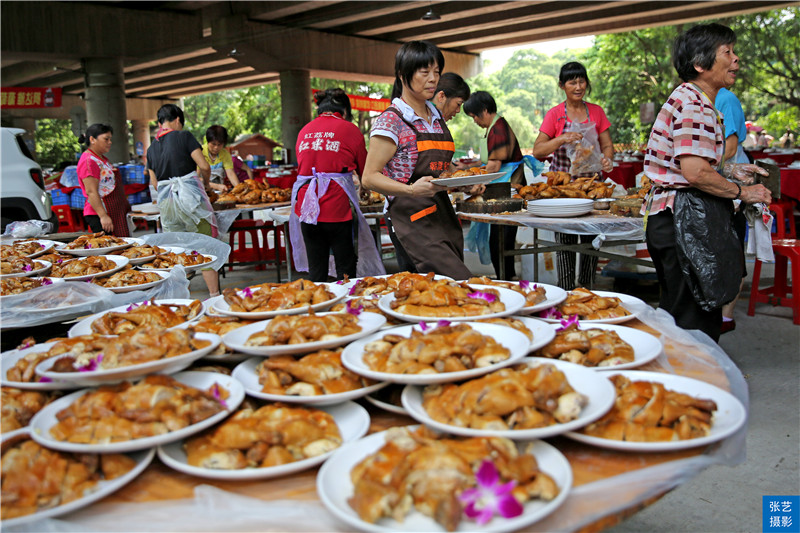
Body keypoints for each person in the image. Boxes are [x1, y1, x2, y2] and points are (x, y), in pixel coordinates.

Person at [643, 23, 771, 341]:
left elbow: (690, 164)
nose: (736, 59)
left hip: (675, 220)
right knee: (694, 324)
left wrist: (729, 172)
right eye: (727, 52)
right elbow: (695, 173)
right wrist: (745, 192)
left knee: (682, 317)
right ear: (701, 64)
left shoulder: (694, 99)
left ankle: (683, 383)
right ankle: (693, 386)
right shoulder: (695, 105)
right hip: (683, 222)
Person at [362, 41, 476, 279]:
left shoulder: (435, 116)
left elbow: (444, 166)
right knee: (458, 283)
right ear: (404, 75)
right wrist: (412, 190)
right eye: (425, 72)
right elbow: (369, 178)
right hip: (410, 218)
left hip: (442, 214)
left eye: (436, 72)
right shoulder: (391, 121)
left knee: (447, 292)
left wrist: (461, 181)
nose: (433, 79)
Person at [533, 61, 614, 290]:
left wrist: (606, 158)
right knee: (566, 241)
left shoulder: (596, 111)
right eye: (572, 82)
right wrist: (561, 139)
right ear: (562, 85)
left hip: (592, 188)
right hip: (563, 193)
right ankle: (567, 291)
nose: (578, 86)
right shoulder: (555, 115)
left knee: (590, 241)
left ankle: (587, 289)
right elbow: (539, 150)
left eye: (582, 81)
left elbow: (607, 146)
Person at [289, 88, 384, 281]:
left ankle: (318, 308)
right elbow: (367, 171)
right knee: (345, 267)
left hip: (307, 210)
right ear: (344, 111)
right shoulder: (350, 129)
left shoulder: (304, 131)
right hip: (336, 210)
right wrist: (364, 188)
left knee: (316, 270)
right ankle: (346, 307)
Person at [146, 103, 219, 296]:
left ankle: (178, 297)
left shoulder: (151, 148)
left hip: (168, 204)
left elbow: (154, 183)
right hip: (191, 201)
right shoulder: (184, 136)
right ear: (178, 120)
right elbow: (203, 166)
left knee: (175, 250)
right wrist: (205, 184)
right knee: (205, 247)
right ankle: (213, 295)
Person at [464, 90, 537, 280]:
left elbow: (494, 165)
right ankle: (505, 277)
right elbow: (488, 162)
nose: (475, 121)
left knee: (500, 242)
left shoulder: (498, 129)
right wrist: (470, 167)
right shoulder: (494, 128)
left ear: (484, 111)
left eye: (474, 117)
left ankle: (507, 279)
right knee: (498, 240)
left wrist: (474, 179)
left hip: (509, 190)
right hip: (501, 190)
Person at [715, 87, 750, 334]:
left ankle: (726, 316)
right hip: (713, 180)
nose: (734, 61)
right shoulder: (694, 96)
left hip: (731, 181)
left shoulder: (725, 99)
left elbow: (729, 149)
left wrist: (696, 168)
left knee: (732, 248)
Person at [76, 123, 131, 237]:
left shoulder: (101, 158)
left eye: (110, 139)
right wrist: (103, 216)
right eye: (106, 139)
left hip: (113, 212)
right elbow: (91, 191)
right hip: (100, 213)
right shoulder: (89, 161)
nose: (110, 142)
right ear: (92, 139)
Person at [202, 125, 241, 191]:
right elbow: (195, 178)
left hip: (219, 193)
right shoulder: (199, 152)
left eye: (219, 144)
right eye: (213, 144)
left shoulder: (225, 154)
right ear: (208, 141)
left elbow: (231, 174)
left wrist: (239, 188)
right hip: (201, 192)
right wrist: (215, 186)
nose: (216, 147)